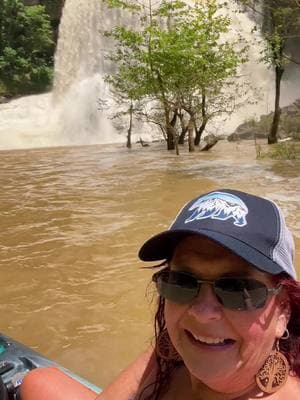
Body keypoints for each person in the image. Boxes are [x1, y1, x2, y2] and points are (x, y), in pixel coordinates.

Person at [20, 189, 300, 400]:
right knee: (39, 381)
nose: (202, 312)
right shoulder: (172, 353)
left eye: (238, 290)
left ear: (283, 311)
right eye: (181, 282)